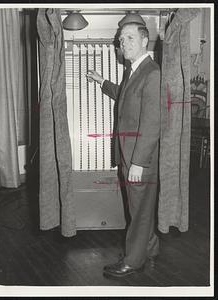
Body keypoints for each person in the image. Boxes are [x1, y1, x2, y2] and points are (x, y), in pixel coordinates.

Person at [86, 15, 161, 278]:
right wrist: (101, 81)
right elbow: (125, 96)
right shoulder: (135, 71)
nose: (123, 43)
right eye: (121, 40)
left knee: (138, 211)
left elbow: (153, 124)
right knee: (140, 207)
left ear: (144, 40)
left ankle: (133, 260)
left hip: (139, 158)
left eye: (129, 38)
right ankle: (148, 249)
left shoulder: (152, 73)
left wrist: (138, 162)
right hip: (130, 154)